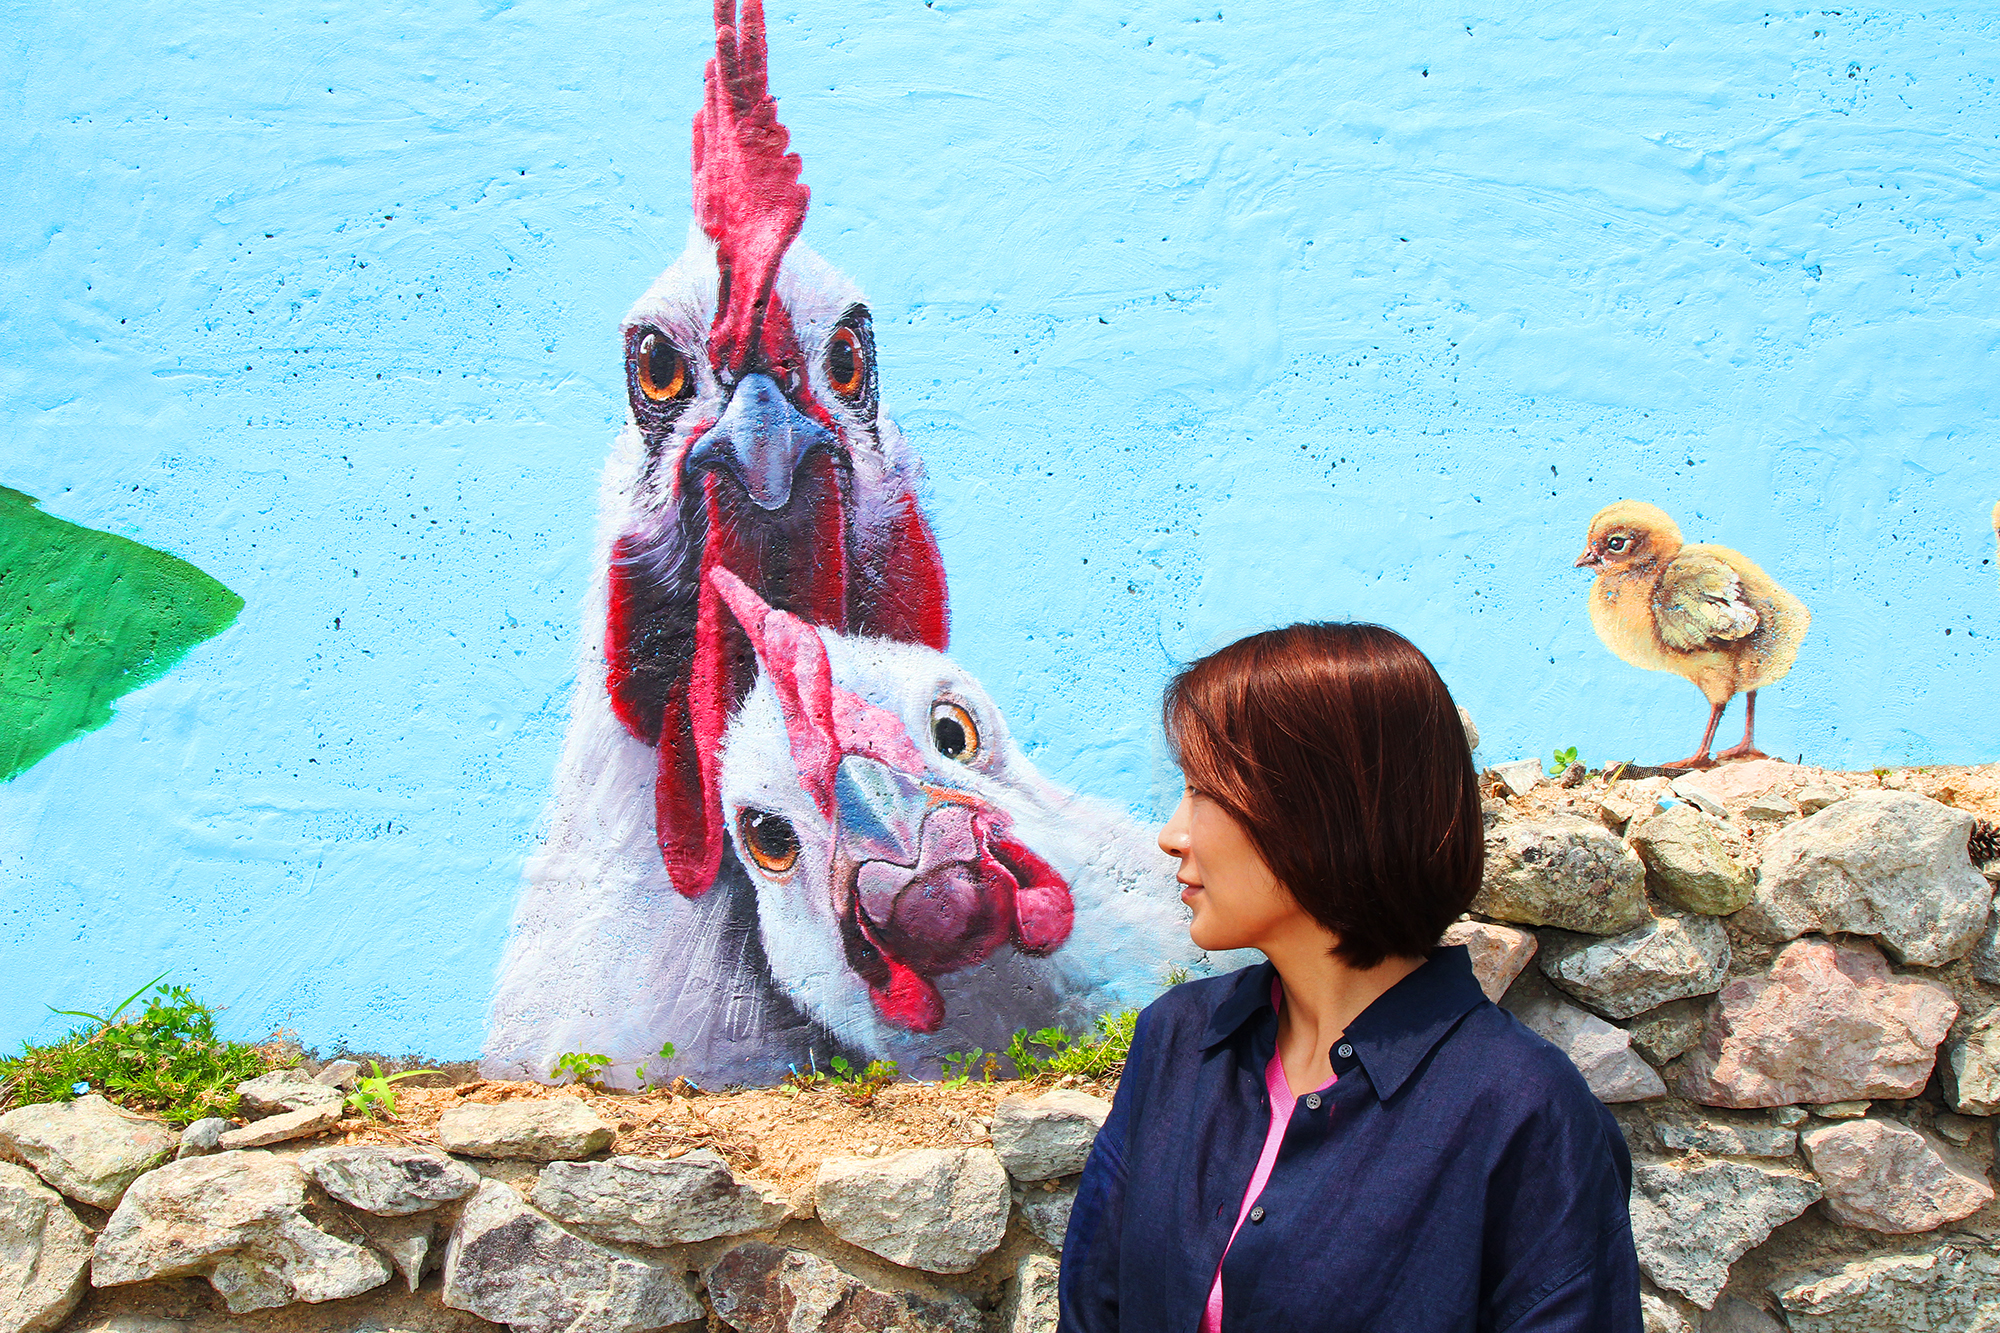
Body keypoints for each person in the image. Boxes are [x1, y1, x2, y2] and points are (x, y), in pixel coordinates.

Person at [1057, 623, 1642, 1332]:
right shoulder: (1178, 1039)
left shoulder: (1522, 1109)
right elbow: (1094, 1308)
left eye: (1203, 791)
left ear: (1323, 812)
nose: (1172, 834)